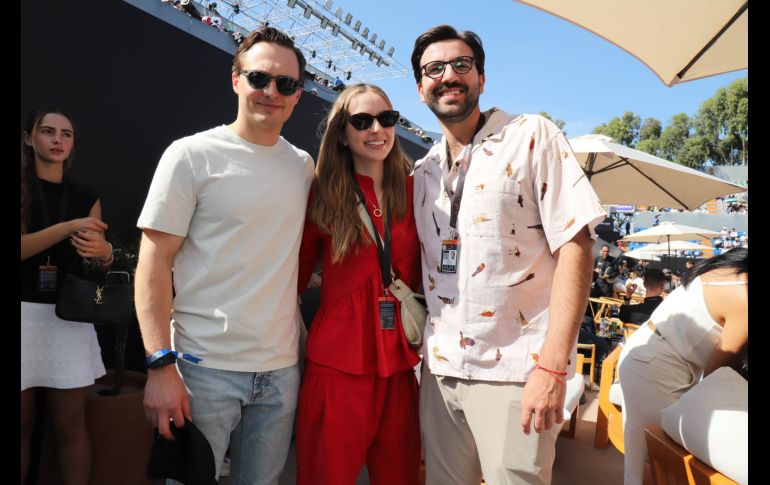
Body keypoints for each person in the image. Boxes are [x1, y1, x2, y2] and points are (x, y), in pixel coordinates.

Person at [410, 25, 606, 484]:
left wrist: (553, 366)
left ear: (481, 78)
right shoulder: (423, 171)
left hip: (519, 371)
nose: (449, 75)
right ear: (421, 89)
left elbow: (577, 245)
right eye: (434, 69)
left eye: (462, 64)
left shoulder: (531, 134)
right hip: (439, 375)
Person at [134, 26, 314, 483]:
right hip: (202, 369)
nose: (271, 92)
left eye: (286, 84)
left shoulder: (303, 166)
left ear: (297, 95)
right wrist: (159, 364)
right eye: (259, 78)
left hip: (280, 372)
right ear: (235, 79)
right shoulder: (190, 155)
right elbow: (153, 265)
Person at [295, 84, 421, 484]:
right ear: (342, 134)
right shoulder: (323, 194)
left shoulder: (417, 190)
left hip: (400, 365)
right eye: (362, 121)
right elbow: (292, 277)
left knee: (400, 477)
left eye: (386, 119)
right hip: (338, 366)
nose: (377, 130)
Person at [21, 108, 113, 484]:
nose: (58, 140)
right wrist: (69, 226)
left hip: (68, 319)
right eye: (48, 131)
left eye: (66, 134)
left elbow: (95, 269)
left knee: (71, 426)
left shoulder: (86, 197)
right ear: (29, 138)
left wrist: (104, 254)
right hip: (22, 315)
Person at [618, 248, 748, 485]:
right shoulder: (744, 298)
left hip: (646, 353)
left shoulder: (725, 271)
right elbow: (715, 379)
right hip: (659, 367)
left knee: (641, 464)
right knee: (662, 465)